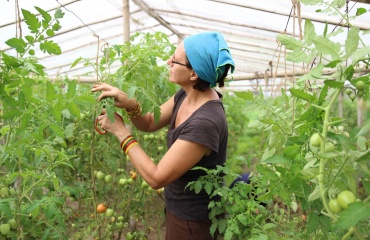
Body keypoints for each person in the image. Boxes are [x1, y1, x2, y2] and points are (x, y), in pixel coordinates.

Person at [92, 31, 235, 240]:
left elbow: (156, 177)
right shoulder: (186, 95)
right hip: (178, 209)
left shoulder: (205, 122)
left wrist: (122, 133)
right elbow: (149, 122)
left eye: (175, 60)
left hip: (193, 222)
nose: (168, 61)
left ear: (194, 74)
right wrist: (130, 104)